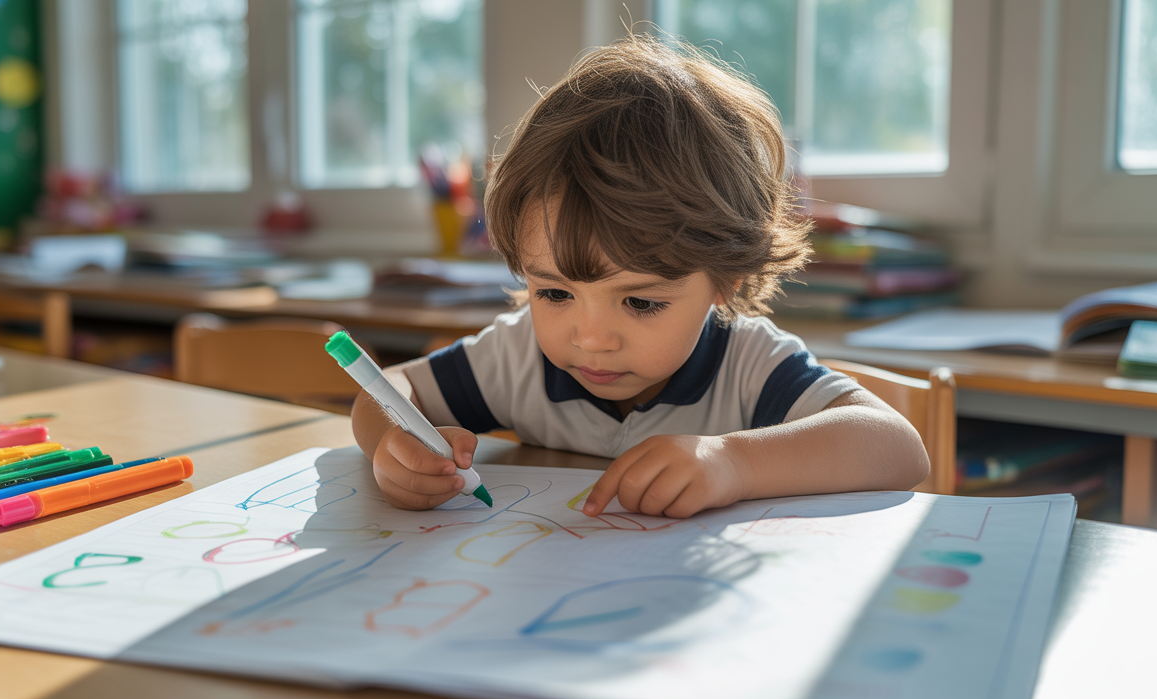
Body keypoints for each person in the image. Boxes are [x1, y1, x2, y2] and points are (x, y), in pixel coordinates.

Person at [353, 34, 930, 518]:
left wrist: (734, 461)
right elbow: (387, 392)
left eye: (641, 303)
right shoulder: (517, 359)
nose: (591, 338)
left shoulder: (748, 368)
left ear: (725, 278)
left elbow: (899, 448)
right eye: (554, 292)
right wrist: (392, 445)